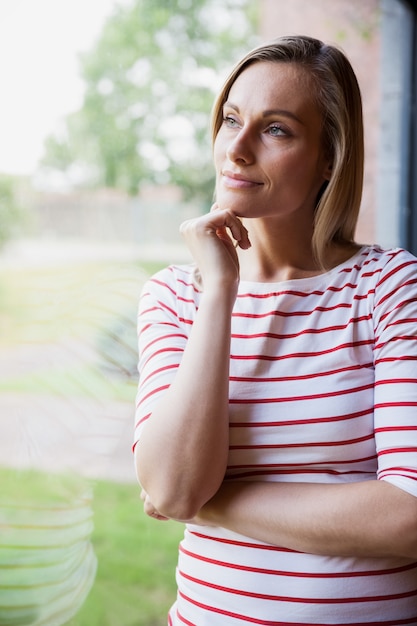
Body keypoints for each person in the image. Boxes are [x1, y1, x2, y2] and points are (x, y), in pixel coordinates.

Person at [133, 35, 417, 624]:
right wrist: (219, 294)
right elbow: (171, 485)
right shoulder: (174, 296)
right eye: (231, 120)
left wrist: (210, 505)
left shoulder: (391, 287)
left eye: (276, 129)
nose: (236, 149)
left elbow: (409, 516)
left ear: (329, 159)